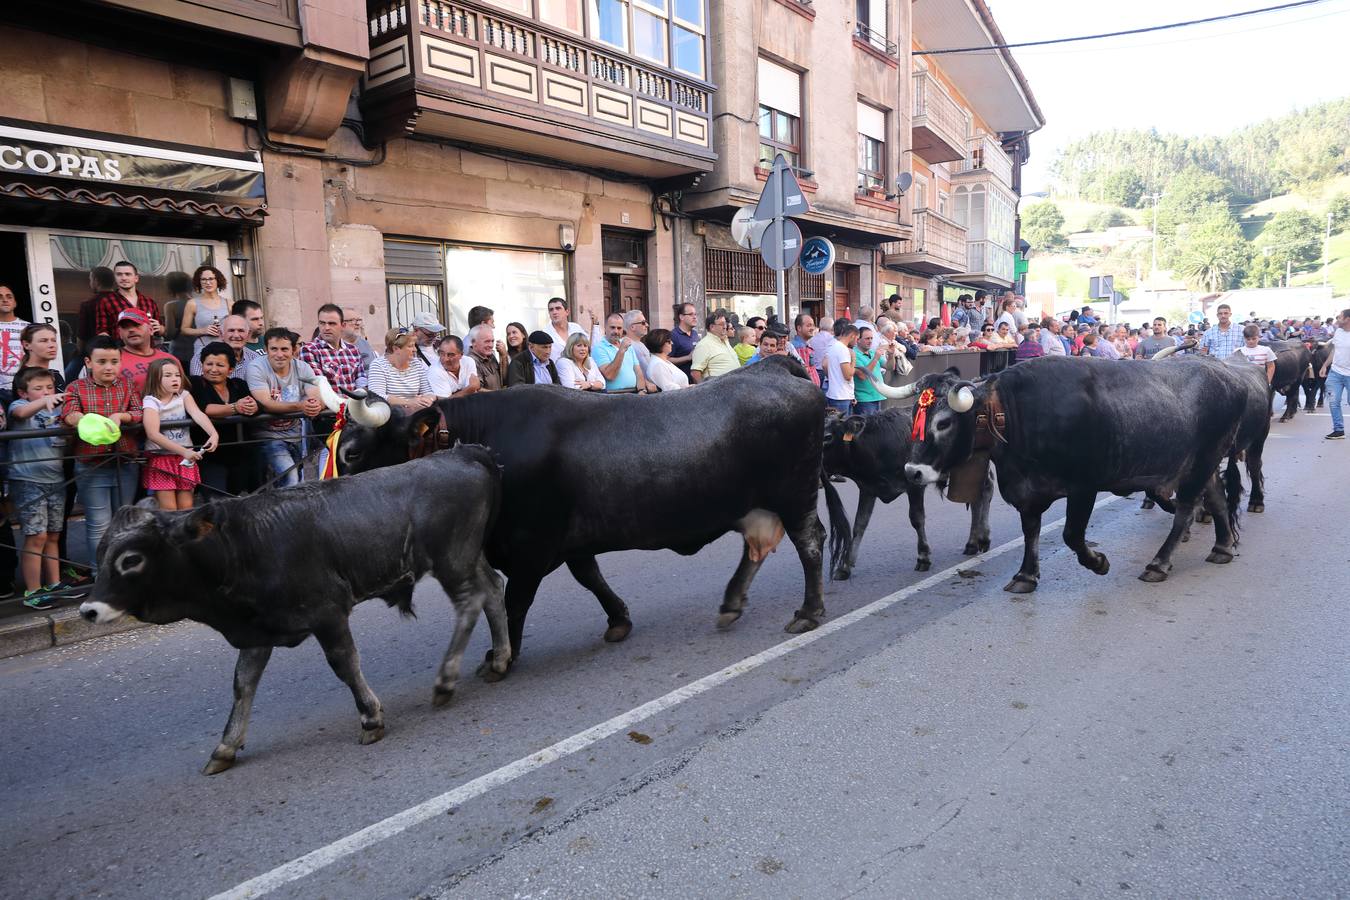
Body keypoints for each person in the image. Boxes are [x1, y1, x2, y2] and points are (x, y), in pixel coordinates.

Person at [63, 335, 143, 566]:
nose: (109, 367)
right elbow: (69, 414)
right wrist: (88, 419)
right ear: (88, 362)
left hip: (125, 461)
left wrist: (121, 416)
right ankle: (101, 575)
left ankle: (124, 573)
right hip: (91, 463)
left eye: (114, 361)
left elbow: (139, 411)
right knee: (98, 523)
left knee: (124, 522)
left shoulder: (128, 385)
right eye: (101, 362)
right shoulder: (76, 387)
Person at [8, 367, 68, 608]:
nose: (46, 392)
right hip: (28, 479)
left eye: (50, 388)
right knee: (36, 535)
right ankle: (32, 591)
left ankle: (54, 583)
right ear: (23, 392)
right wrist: (44, 401)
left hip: (56, 477)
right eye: (38, 388)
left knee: (53, 534)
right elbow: (22, 413)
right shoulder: (17, 405)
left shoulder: (57, 408)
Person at [247, 327, 322, 488]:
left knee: (295, 479)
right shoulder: (256, 367)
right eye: (274, 349)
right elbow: (266, 403)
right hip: (269, 435)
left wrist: (314, 404)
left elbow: (315, 394)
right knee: (290, 477)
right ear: (266, 349)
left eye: (284, 349)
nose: (279, 354)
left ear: (293, 350)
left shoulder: (302, 367)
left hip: (297, 434)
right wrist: (301, 406)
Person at [141, 358, 217, 511]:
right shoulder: (151, 401)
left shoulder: (183, 395)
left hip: (184, 458)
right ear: (156, 378)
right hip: (162, 458)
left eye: (177, 375)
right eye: (168, 375)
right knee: (169, 509)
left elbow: (198, 414)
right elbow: (152, 434)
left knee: (186, 508)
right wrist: (184, 451)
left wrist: (213, 433)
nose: (175, 379)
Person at [190, 341, 259, 498]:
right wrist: (236, 407)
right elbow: (204, 408)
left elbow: (253, 404)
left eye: (220, 365)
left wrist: (253, 406)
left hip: (241, 453)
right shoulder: (195, 383)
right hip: (210, 455)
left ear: (230, 369)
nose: (213, 369)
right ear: (202, 365)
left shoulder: (239, 384)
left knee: (244, 498)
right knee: (217, 500)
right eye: (209, 364)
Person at [299, 303, 365, 394]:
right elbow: (319, 386)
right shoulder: (309, 350)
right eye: (322, 323)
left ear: (343, 325)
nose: (326, 328)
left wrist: (361, 396)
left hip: (355, 404)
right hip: (329, 406)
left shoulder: (353, 350)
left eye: (332, 323)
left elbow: (361, 380)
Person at [111, 308, 179, 392]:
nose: (131, 330)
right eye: (125, 327)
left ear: (151, 330)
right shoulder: (112, 361)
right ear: (120, 334)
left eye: (136, 325)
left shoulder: (170, 359)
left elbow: (182, 393)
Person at [180, 265, 232, 374]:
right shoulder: (193, 303)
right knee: (201, 383)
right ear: (199, 282)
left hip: (225, 350)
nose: (207, 282)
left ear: (218, 280)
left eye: (211, 279)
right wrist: (203, 330)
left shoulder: (229, 303)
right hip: (202, 349)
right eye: (203, 279)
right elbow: (184, 329)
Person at [368, 329, 436, 410]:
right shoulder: (378, 365)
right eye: (410, 346)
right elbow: (377, 396)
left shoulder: (416, 363)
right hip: (390, 414)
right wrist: (409, 402)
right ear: (396, 349)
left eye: (414, 345)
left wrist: (427, 400)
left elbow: (428, 391)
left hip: (415, 412)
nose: (415, 350)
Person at [94, 260, 162, 337]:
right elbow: (102, 331)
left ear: (136, 278)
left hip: (147, 347)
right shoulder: (106, 301)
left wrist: (160, 329)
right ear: (115, 278)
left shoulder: (149, 302)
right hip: (119, 347)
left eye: (128, 274)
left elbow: (161, 330)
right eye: (119, 274)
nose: (123, 278)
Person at [593, 313, 651, 392]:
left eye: (619, 328)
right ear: (605, 327)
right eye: (612, 327)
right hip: (614, 395)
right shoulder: (598, 348)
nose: (616, 331)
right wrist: (621, 351)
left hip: (634, 393)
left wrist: (642, 390)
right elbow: (610, 375)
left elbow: (638, 371)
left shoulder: (627, 344)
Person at [1319, 308, 1350, 440]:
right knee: (1333, 401)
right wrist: (1325, 365)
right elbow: (1334, 351)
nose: (1337, 319)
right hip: (1335, 372)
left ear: (1347, 319)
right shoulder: (1338, 331)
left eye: (1340, 317)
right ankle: (1338, 430)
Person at [0, 283, 30, 405]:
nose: (5, 299)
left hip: (24, 388)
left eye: (9, 296)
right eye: (0, 297)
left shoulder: (28, 327)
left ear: (15, 303)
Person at [690, 310, 739, 383]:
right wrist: (704, 391)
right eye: (722, 324)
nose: (725, 326)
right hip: (716, 391)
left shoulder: (725, 341)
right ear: (712, 327)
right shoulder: (704, 345)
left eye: (725, 323)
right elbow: (695, 373)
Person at [160, 271, 195, 368]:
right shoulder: (199, 303)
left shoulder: (171, 306)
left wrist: (161, 330)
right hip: (198, 352)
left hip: (179, 353)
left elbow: (170, 334)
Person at [429, 334, 480, 399]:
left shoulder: (468, 361)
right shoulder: (435, 370)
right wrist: (470, 389)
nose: (445, 359)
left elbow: (472, 394)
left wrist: (468, 390)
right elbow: (445, 403)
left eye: (451, 355)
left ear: (461, 355)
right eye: (442, 353)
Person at [824, 322, 858, 414]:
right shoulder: (843, 349)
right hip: (841, 397)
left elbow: (824, 365)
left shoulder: (833, 346)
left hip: (837, 394)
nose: (856, 342)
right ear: (852, 336)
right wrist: (854, 359)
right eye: (857, 339)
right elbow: (848, 375)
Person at [18, 323, 65, 389]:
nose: (52, 345)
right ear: (26, 345)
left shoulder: (56, 375)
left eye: (54, 340)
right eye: (43, 341)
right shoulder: (25, 377)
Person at [77, 266, 115, 346]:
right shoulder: (122, 301)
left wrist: (79, 354)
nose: (90, 283)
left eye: (90, 280)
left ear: (96, 281)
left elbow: (82, 335)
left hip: (97, 350)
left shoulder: (88, 304)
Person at [851, 327, 885, 416]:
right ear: (858, 340)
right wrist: (875, 359)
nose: (870, 341)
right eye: (867, 338)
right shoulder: (853, 354)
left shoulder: (873, 352)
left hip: (878, 395)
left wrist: (892, 354)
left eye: (871, 338)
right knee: (867, 428)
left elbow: (889, 366)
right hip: (864, 399)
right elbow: (862, 376)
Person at [467, 324, 504, 392]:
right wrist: (500, 394)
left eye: (492, 341)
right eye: (487, 341)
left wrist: (503, 356)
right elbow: (477, 390)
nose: (491, 345)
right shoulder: (470, 361)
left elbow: (503, 380)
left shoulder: (490, 355)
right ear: (473, 342)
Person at [789, 312, 822, 387]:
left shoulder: (805, 345)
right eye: (809, 325)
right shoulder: (798, 348)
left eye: (813, 325)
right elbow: (803, 372)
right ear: (799, 328)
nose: (812, 328)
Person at [342, 307, 376, 375]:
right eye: (352, 320)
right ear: (341, 324)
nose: (357, 323)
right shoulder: (335, 346)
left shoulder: (365, 344)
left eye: (358, 320)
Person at [669, 302, 699, 375]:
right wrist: (687, 357)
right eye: (691, 314)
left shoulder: (695, 334)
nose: (694, 317)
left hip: (696, 381)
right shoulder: (673, 335)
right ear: (681, 317)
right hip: (682, 382)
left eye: (695, 314)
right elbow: (666, 360)